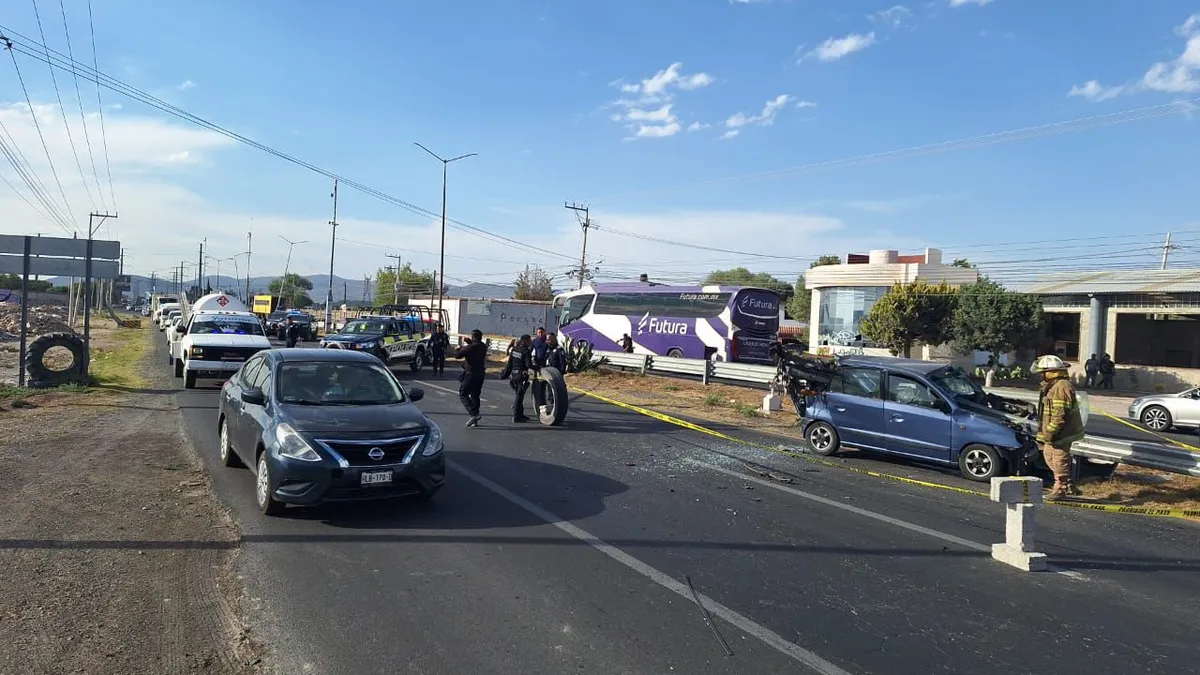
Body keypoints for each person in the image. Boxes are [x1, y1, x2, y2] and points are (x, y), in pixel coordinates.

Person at [1031, 354, 1086, 499]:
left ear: (1051, 372)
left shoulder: (1061, 386)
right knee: (1048, 456)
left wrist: (1050, 432)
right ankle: (1067, 484)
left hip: (1061, 433)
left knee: (1059, 459)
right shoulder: (1051, 386)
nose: (1041, 376)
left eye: (1043, 373)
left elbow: (1059, 414)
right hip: (1053, 432)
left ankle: (1060, 489)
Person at [453, 329, 489, 427]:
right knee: (475, 395)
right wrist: (469, 342)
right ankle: (475, 419)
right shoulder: (483, 346)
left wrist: (458, 348)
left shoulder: (470, 347)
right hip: (480, 374)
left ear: (473, 337)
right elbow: (474, 346)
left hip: (471, 374)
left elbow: (457, 356)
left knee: (463, 393)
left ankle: (473, 414)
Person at [501, 334, 534, 423]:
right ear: (525, 341)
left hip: (514, 375)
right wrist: (537, 368)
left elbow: (509, 364)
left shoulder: (514, 349)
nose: (531, 342)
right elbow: (529, 365)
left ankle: (520, 414)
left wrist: (505, 374)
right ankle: (516, 416)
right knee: (519, 396)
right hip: (521, 375)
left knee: (519, 395)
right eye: (529, 340)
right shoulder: (526, 351)